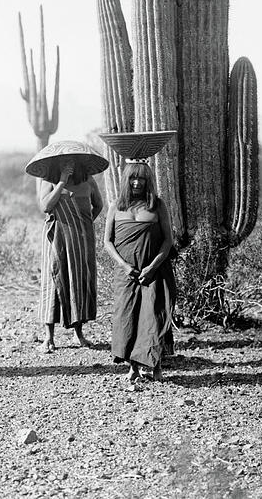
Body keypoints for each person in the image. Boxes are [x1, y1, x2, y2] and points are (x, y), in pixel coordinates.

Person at [104, 161, 175, 383]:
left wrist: (152, 266)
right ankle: (133, 367)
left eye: (141, 178)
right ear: (125, 180)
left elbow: (168, 240)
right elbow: (107, 242)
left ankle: (156, 366)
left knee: (153, 316)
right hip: (126, 273)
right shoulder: (117, 206)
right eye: (133, 178)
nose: (137, 182)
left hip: (154, 270)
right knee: (128, 317)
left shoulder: (157, 205)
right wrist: (125, 266)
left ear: (148, 181)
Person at [38, 159, 104, 352]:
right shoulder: (48, 180)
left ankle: (78, 333)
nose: (69, 164)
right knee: (53, 281)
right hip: (55, 237)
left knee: (78, 282)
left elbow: (98, 205)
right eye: (64, 162)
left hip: (81, 238)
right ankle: (48, 338)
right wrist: (61, 181)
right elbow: (45, 207)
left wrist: (83, 223)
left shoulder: (88, 181)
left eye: (73, 161)